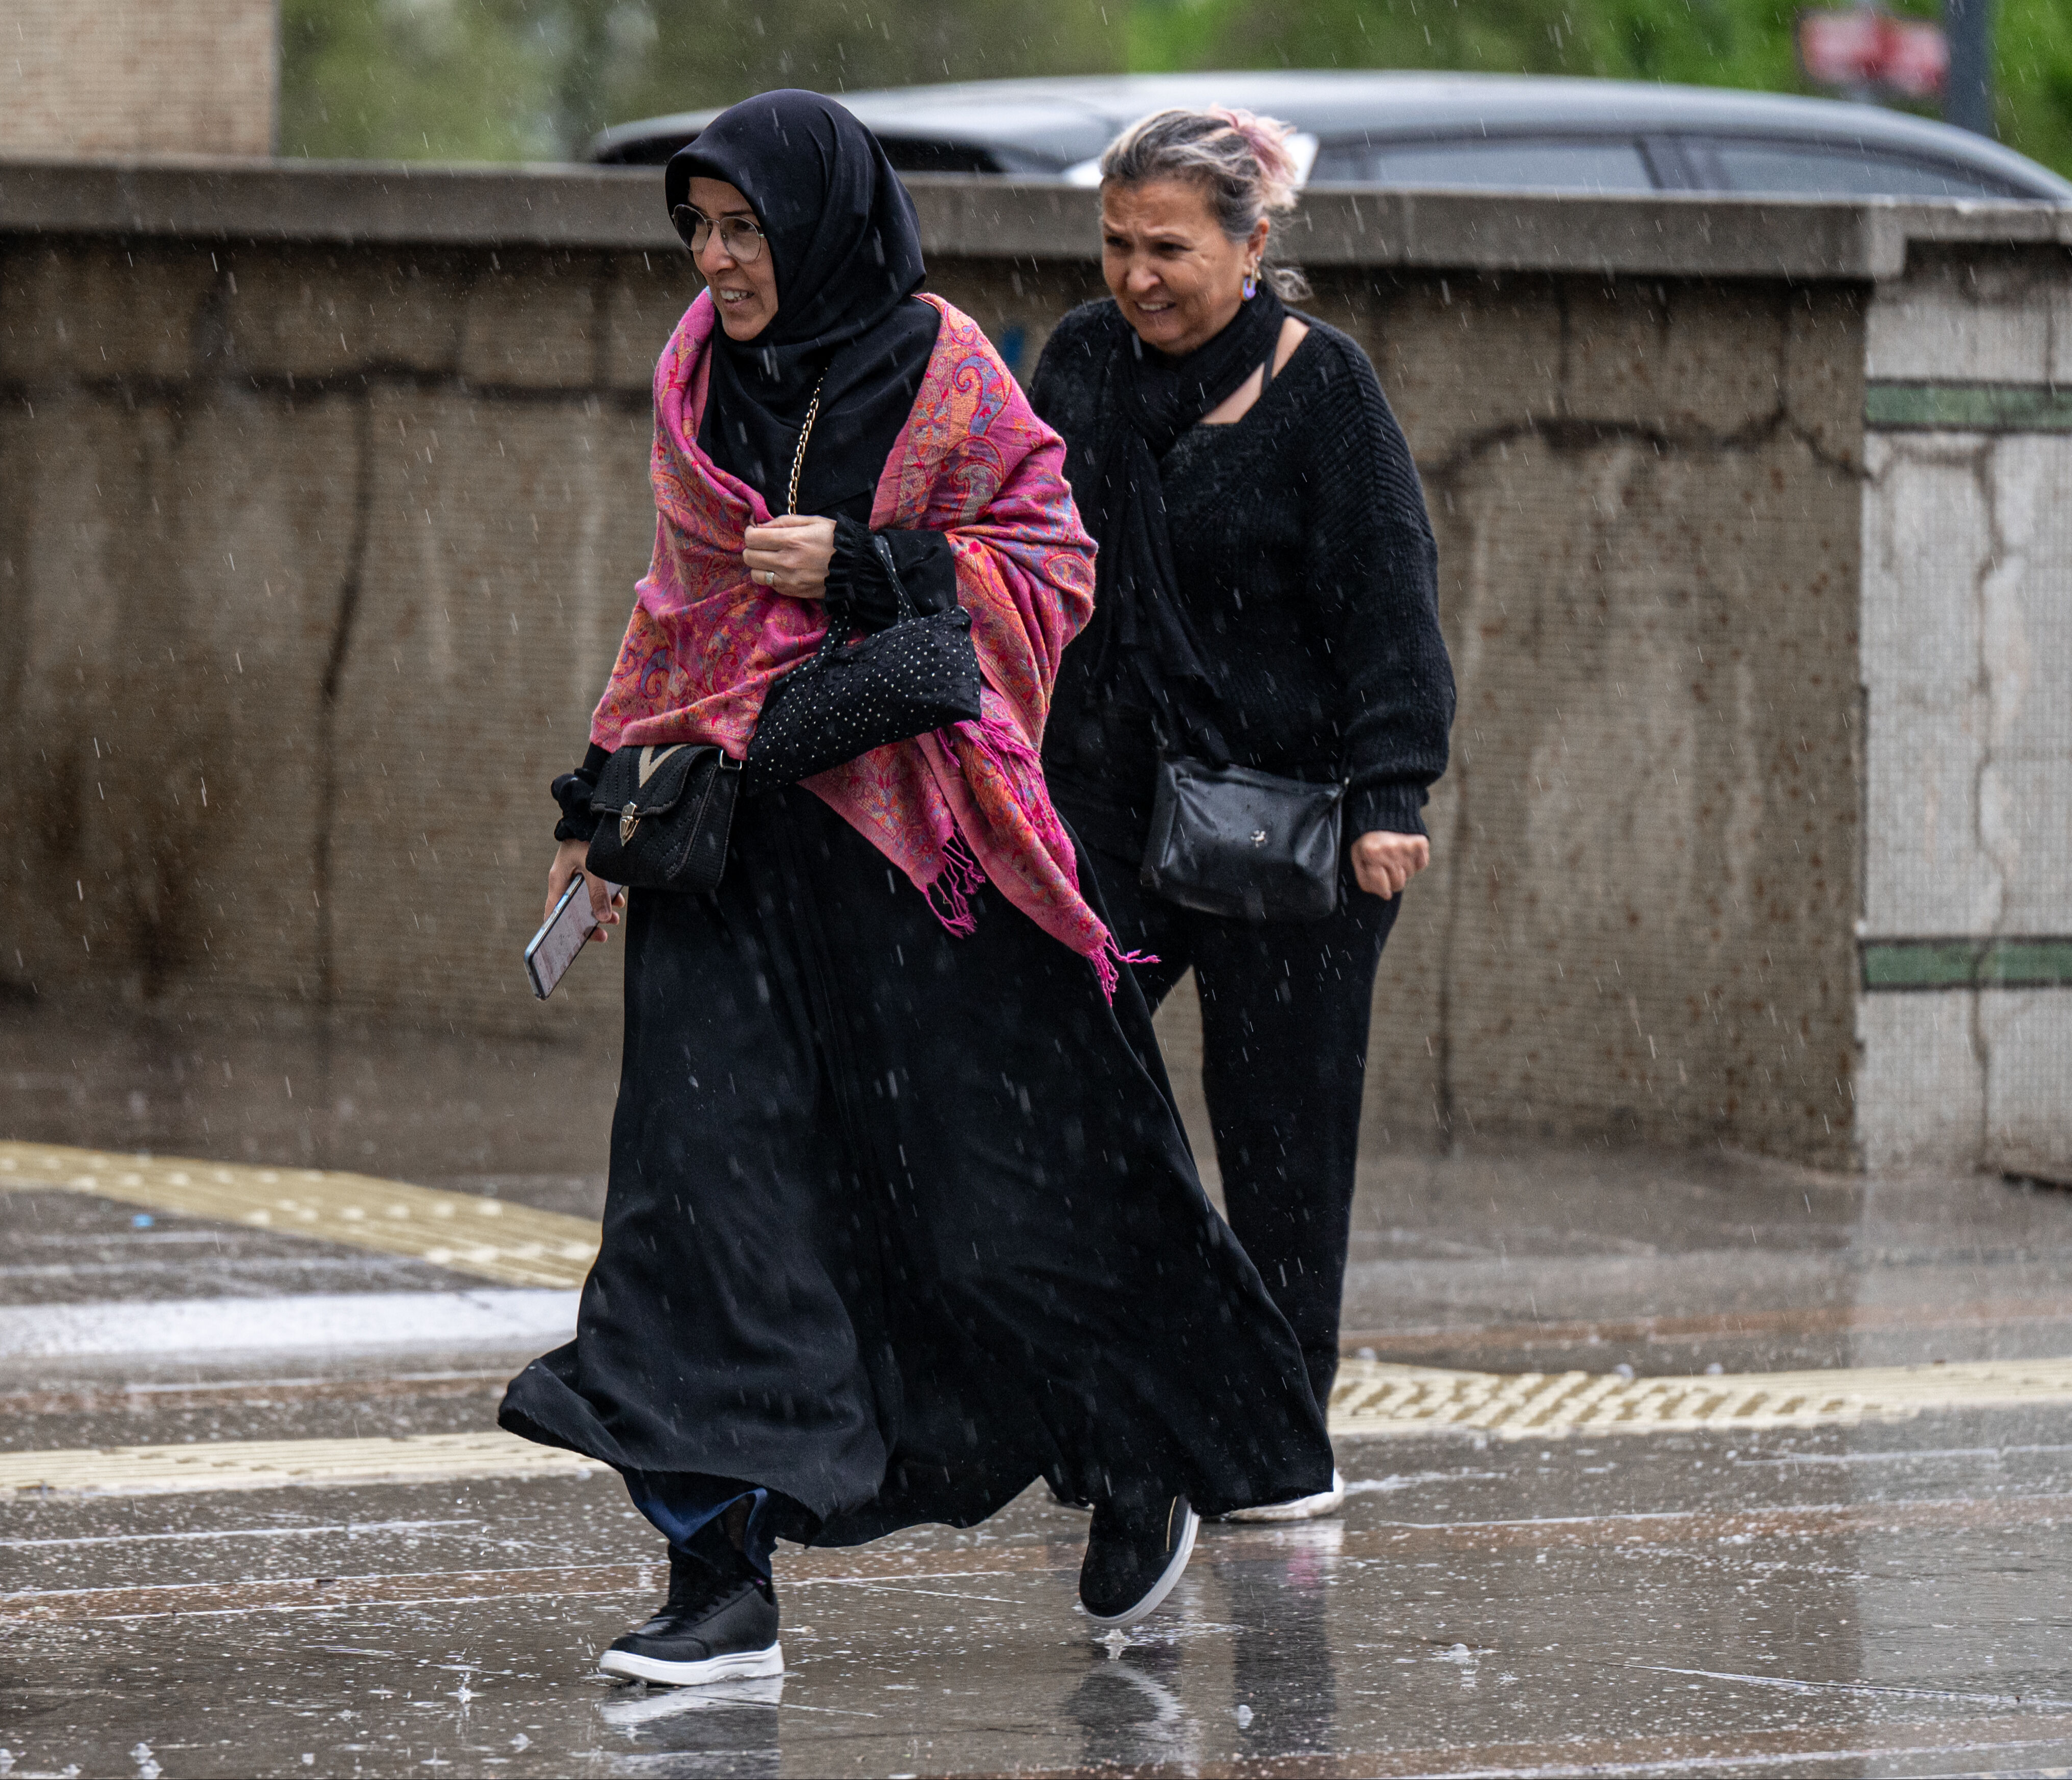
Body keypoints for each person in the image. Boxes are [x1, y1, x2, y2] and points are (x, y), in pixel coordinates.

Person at [499, 90, 1332, 1687]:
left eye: (744, 231)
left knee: (982, 1216)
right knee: (702, 1208)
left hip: (918, 865)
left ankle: (1126, 1445)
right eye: (698, 230)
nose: (716, 261)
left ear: (821, 228)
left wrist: (868, 567)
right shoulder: (696, 376)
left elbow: (1049, 563)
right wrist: (596, 801)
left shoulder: (942, 366)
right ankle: (718, 1575)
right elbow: (678, 609)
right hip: (729, 862)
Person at [1031, 107, 1455, 1522]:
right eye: (1116, 244)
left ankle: (1280, 1440)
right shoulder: (1080, 361)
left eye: (1168, 248)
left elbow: (1390, 602)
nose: (1136, 276)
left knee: (1284, 1145)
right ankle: (1116, 1402)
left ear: (1253, 243)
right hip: (1109, 808)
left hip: (1297, 825)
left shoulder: (1323, 387)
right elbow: (1017, 545)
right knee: (1059, 1077)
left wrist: (1390, 795)